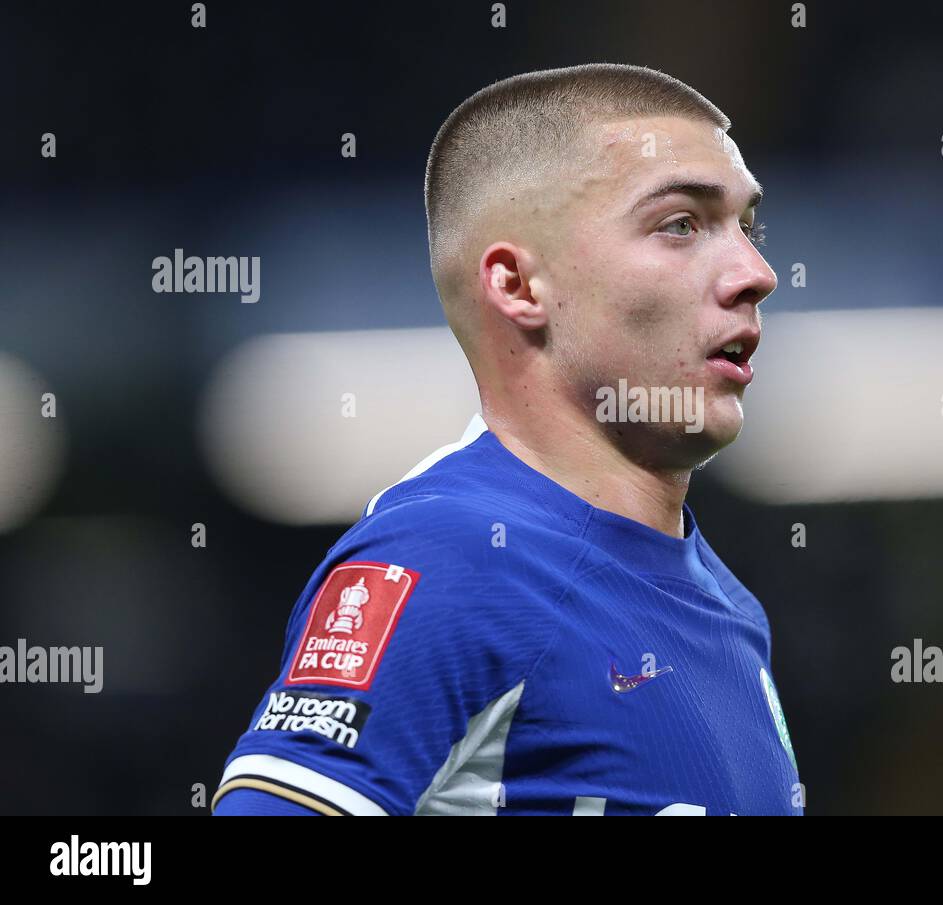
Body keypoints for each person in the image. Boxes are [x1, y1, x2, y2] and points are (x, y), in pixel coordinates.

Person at [214, 63, 798, 815]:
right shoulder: (447, 555)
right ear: (519, 287)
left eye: (747, 227)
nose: (757, 272)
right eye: (681, 223)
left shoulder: (732, 609)